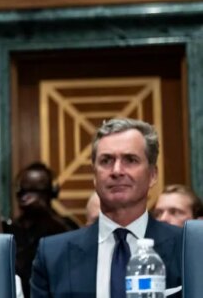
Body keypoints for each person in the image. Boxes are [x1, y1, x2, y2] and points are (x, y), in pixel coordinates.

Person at [31, 118, 182, 298]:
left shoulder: (187, 248)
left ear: (152, 175)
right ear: (95, 175)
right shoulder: (53, 255)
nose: (117, 171)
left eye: (130, 160)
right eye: (106, 161)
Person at [10, 162, 78, 294]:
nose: (27, 197)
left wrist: (45, 214)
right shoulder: (11, 229)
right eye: (24, 190)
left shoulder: (64, 226)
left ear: (51, 193)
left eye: (36, 191)